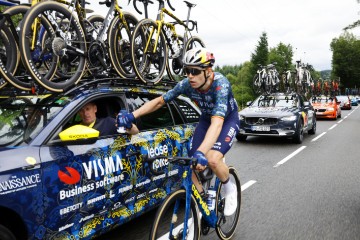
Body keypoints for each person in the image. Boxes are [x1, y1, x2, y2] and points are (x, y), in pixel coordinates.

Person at [117, 48, 240, 216]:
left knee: (211, 159)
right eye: (187, 70)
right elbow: (160, 101)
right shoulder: (186, 85)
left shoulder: (221, 84)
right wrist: (133, 115)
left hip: (226, 120)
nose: (190, 75)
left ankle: (229, 187)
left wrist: (202, 151)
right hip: (206, 119)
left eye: (195, 71)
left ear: (208, 71)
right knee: (190, 162)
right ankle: (203, 198)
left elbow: (217, 125)